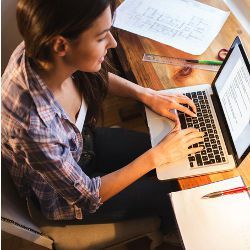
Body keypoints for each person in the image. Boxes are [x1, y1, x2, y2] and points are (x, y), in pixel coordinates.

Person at [1, 0, 204, 236]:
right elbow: (86, 196)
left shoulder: (44, 51)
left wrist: (147, 95)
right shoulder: (34, 127)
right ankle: (172, 235)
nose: (113, 43)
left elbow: (96, 75)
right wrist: (157, 156)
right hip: (69, 199)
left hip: (82, 144)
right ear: (60, 45)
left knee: (179, 159)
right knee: (173, 194)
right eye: (101, 37)